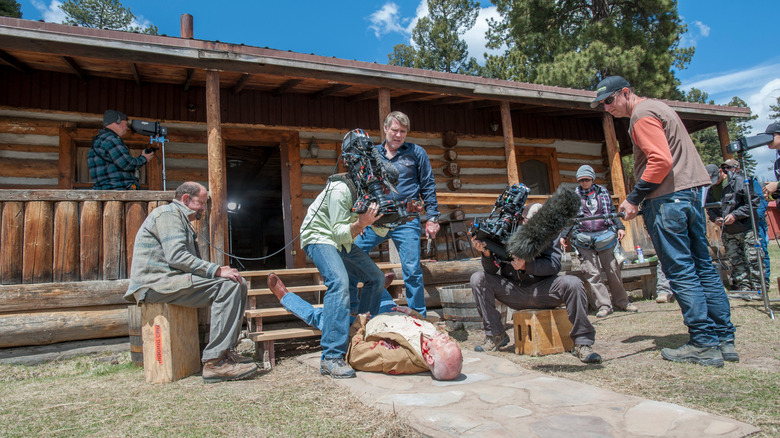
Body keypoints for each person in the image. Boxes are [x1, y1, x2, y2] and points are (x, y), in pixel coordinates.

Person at [593, 75, 736, 367]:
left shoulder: (641, 115)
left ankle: (703, 342)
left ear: (625, 92)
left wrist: (634, 198)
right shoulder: (660, 108)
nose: (607, 108)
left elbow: (660, 160)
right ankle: (724, 339)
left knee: (681, 272)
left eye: (609, 100)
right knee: (703, 268)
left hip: (667, 201)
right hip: (689, 198)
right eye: (602, 105)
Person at [124, 182, 259, 383]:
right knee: (229, 285)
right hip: (155, 283)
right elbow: (177, 257)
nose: (203, 208)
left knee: (236, 282)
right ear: (186, 199)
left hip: (169, 281)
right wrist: (216, 270)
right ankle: (215, 362)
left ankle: (226, 352)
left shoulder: (179, 218)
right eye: (201, 203)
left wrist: (215, 273)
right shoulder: (168, 214)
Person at [297, 129, 391, 379]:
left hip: (340, 239)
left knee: (376, 278)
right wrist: (361, 223)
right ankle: (331, 357)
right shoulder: (340, 188)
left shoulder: (367, 189)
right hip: (319, 236)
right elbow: (338, 234)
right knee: (338, 283)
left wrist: (390, 218)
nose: (382, 187)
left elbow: (378, 229)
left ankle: (361, 338)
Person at [469, 205, 602, 364]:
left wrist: (527, 266)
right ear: (522, 220)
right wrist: (486, 253)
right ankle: (495, 335)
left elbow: (554, 265)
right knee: (478, 278)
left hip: (543, 290)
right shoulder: (507, 230)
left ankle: (582, 343)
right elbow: (491, 270)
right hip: (515, 291)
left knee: (573, 283)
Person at [266, 274, 463, 380]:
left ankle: (287, 298)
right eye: (450, 341)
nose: (447, 337)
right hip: (389, 317)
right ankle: (380, 290)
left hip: (366, 325)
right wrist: (413, 314)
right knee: (383, 296)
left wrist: (360, 323)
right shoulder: (434, 344)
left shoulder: (395, 357)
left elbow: (357, 355)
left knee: (324, 318)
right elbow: (427, 326)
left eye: (446, 343)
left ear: (429, 358)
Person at [350, 111, 440, 317]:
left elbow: (428, 186)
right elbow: (360, 187)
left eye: (403, 131)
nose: (398, 135)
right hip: (375, 219)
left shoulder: (417, 152)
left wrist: (432, 218)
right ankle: (354, 313)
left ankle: (418, 316)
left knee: (412, 269)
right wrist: (358, 220)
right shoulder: (371, 153)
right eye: (395, 130)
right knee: (351, 255)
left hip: (406, 219)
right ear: (385, 129)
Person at [562, 164, 637, 317]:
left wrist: (620, 227)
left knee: (613, 269)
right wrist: (564, 235)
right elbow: (570, 219)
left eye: (587, 179)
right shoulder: (574, 196)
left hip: (605, 236)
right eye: (581, 180)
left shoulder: (603, 192)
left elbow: (612, 212)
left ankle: (622, 301)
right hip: (583, 237)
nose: (584, 183)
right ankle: (603, 305)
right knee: (592, 273)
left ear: (592, 179)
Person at [707, 159, 764, 294]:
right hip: (728, 231)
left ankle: (759, 288)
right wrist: (716, 218)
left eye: (715, 179)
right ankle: (744, 288)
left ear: (721, 172)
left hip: (746, 228)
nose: (714, 182)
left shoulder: (739, 181)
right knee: (735, 260)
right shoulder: (709, 189)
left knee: (753, 259)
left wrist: (735, 215)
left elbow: (753, 202)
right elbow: (710, 208)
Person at [88, 109, 154, 190]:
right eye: (125, 124)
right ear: (116, 122)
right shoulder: (111, 139)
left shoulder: (99, 140)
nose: (127, 128)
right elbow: (127, 164)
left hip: (105, 189)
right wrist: (144, 158)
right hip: (118, 189)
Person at [760, 122, 780, 200]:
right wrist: (774, 195)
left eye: (770, 136)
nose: (767, 141)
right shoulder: (778, 163)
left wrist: (777, 185)